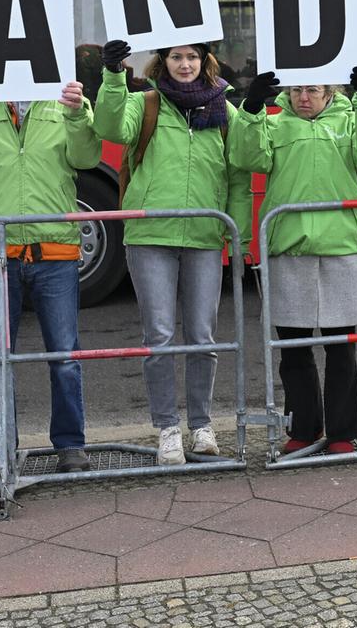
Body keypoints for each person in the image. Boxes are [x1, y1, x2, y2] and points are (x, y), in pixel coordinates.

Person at [93, 40, 251, 465]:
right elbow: (109, 127)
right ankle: (167, 429)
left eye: (193, 57)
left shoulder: (224, 111)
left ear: (205, 62)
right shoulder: (144, 103)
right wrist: (112, 75)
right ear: (164, 62)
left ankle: (201, 426)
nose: (186, 64)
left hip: (203, 236)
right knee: (158, 338)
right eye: (177, 57)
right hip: (149, 236)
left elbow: (238, 176)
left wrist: (239, 235)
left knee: (202, 337)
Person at [232, 66, 357, 454]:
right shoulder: (275, 124)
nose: (303, 96)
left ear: (330, 92)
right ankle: (302, 429)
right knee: (294, 351)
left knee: (342, 349)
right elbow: (245, 156)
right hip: (291, 248)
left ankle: (341, 433)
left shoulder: (351, 119)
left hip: (340, 247)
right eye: (297, 89)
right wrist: (252, 108)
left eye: (313, 89)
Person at [0, 75, 101, 477]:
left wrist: (79, 112)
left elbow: (86, 157)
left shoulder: (62, 102)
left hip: (54, 250)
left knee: (64, 356)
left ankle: (70, 445)